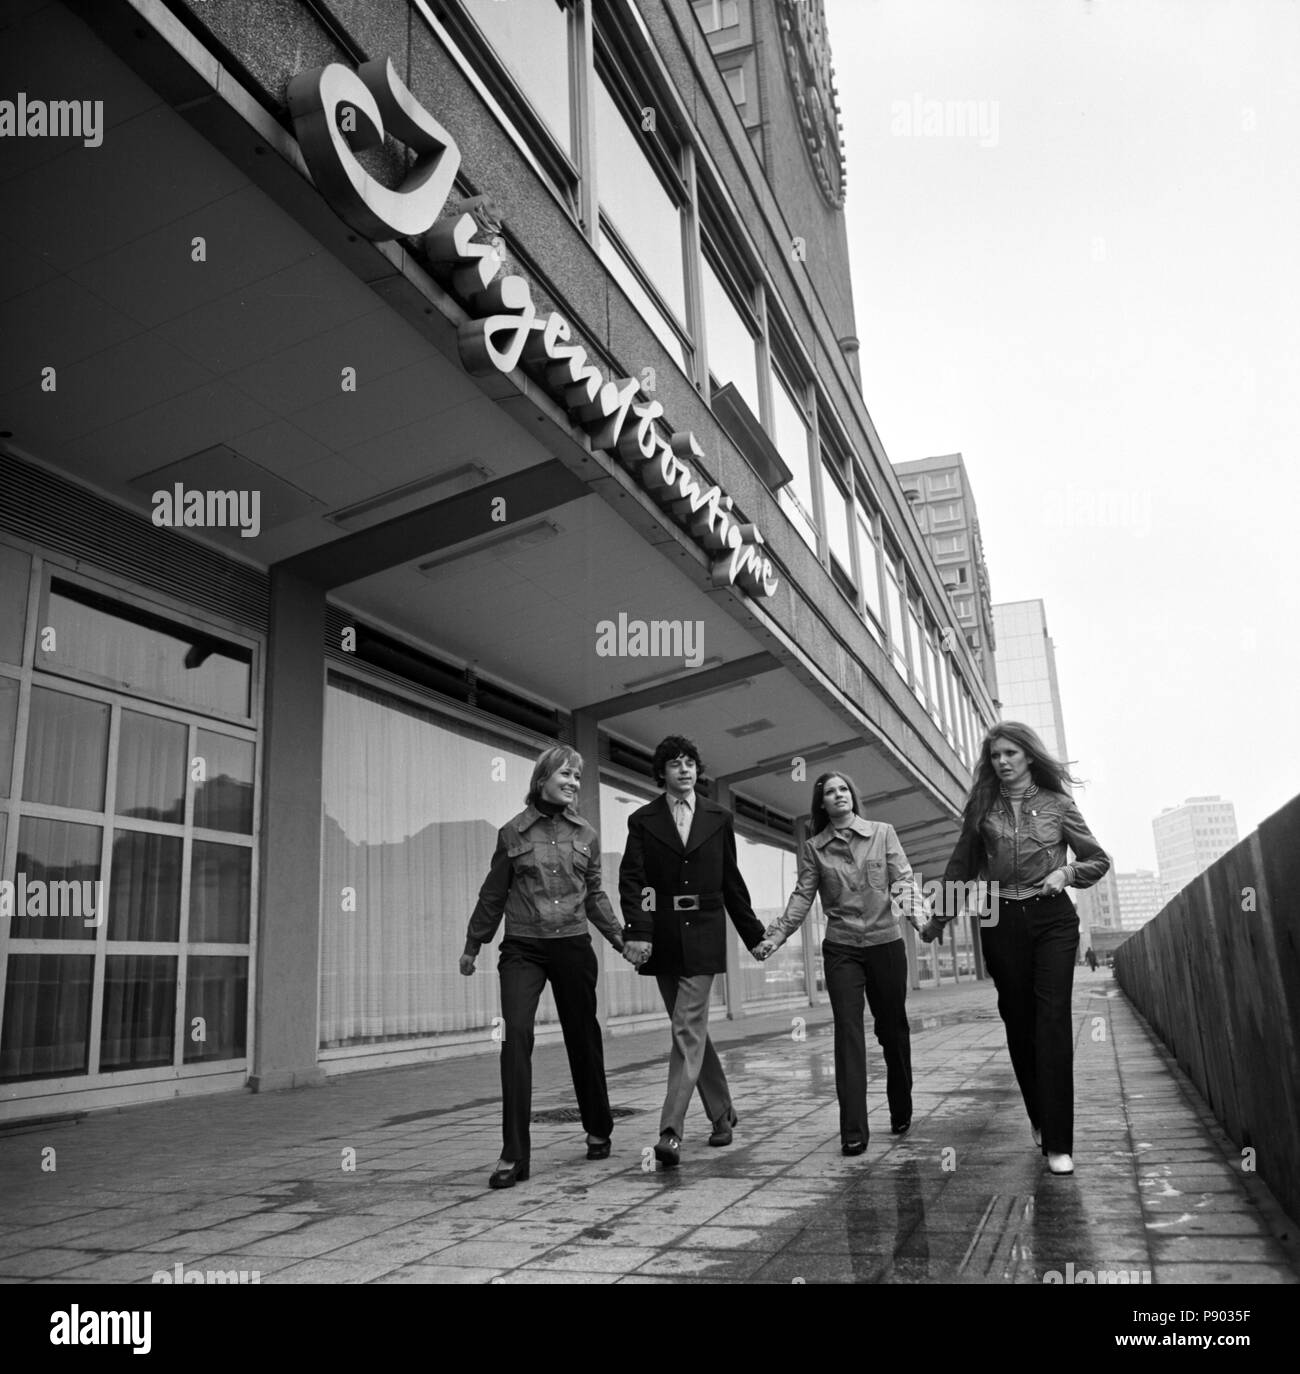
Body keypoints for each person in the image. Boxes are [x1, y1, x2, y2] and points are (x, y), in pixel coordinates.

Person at [921, 722, 1110, 1177]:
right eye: (995, 756)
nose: (1002, 761)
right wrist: (935, 922)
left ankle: (1060, 1142)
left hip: (1053, 921)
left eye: (1010, 753)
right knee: (1019, 1023)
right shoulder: (982, 808)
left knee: (1052, 1021)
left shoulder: (1059, 805)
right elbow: (961, 869)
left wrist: (1066, 875)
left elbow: (1097, 859)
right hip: (999, 919)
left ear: (1028, 756)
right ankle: (1040, 1118)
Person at [460, 745, 626, 1189]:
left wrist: (619, 939)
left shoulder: (586, 833)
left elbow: (594, 894)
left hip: (572, 945)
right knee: (515, 1038)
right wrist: (474, 943)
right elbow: (493, 892)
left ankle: (598, 1127)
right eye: (566, 775)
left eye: (577, 776)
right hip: (523, 948)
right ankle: (514, 1155)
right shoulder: (512, 832)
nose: (573, 782)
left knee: (583, 1035)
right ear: (542, 779)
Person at [754, 772, 929, 1157]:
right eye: (829, 792)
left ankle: (901, 1105)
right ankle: (853, 1129)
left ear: (853, 796)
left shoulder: (883, 833)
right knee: (848, 1033)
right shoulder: (815, 848)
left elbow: (902, 882)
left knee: (892, 1030)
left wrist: (922, 920)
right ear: (822, 805)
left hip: (885, 944)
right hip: (842, 948)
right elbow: (802, 896)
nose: (838, 795)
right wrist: (776, 936)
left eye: (843, 789)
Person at [619, 735, 767, 1167]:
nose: (684, 770)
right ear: (661, 772)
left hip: (704, 930)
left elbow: (731, 881)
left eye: (689, 763)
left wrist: (753, 935)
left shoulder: (720, 817)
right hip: (662, 934)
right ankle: (722, 1114)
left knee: (685, 1027)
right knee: (691, 1031)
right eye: (674, 764)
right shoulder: (642, 819)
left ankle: (670, 1131)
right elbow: (637, 882)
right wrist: (639, 931)